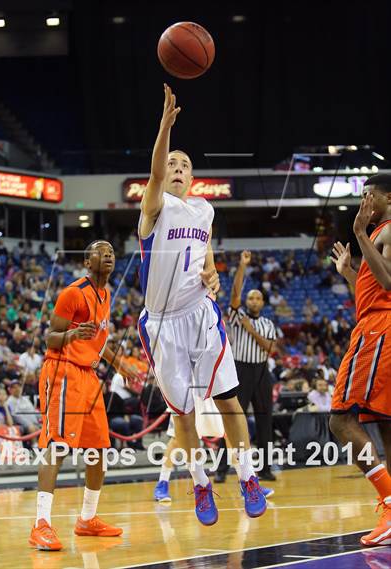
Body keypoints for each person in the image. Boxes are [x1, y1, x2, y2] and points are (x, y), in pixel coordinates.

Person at [137, 84, 267, 526]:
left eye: (184, 165)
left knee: (229, 401)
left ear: (193, 178)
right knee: (185, 414)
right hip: (161, 324)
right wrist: (165, 128)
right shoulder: (154, 208)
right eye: (172, 163)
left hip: (199, 314)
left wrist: (212, 276)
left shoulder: (203, 211)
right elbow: (155, 173)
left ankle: (248, 476)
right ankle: (199, 482)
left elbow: (206, 259)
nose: (176, 168)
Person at [29, 240, 135, 551]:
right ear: (86, 262)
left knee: (99, 448)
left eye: (112, 252)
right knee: (58, 445)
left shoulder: (105, 294)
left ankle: (87, 519)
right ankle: (41, 524)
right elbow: (50, 337)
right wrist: (73, 334)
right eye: (100, 252)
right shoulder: (73, 293)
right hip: (62, 371)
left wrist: (119, 364)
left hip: (88, 376)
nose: (108, 256)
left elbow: (99, 341)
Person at [329, 174, 391, 547]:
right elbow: (372, 290)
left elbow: (389, 284)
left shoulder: (387, 229)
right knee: (386, 425)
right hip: (378, 323)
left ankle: (388, 501)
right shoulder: (380, 234)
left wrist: (361, 234)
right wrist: (349, 272)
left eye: (370, 194)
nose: (365, 201)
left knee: (340, 419)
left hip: (378, 332)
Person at [215, 251, 277, 483]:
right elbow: (234, 293)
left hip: (261, 372)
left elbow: (269, 348)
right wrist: (242, 265)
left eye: (257, 298)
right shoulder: (236, 315)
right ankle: (221, 469)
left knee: (265, 421)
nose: (253, 301)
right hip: (240, 371)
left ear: (262, 302)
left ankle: (266, 469)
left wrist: (251, 330)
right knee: (231, 418)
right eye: (250, 298)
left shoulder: (268, 324)